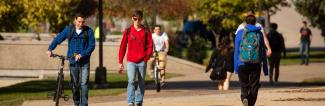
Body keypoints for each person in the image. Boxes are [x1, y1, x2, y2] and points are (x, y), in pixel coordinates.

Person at [46, 13, 95, 106]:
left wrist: (82, 54)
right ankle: (76, 103)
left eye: (83, 22)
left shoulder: (89, 31)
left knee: (84, 85)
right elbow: (58, 39)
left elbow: (92, 46)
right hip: (73, 62)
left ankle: (84, 104)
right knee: (75, 85)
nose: (81, 24)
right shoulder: (69, 30)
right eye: (79, 22)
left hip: (84, 62)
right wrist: (50, 49)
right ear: (75, 20)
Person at [118, 10, 153, 106]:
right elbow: (123, 46)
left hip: (142, 61)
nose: (137, 21)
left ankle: (139, 101)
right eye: (135, 19)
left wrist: (146, 58)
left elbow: (150, 46)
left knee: (141, 82)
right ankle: (130, 101)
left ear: (142, 19)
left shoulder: (146, 31)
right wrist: (120, 61)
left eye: (139, 19)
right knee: (131, 81)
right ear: (132, 19)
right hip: (131, 61)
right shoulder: (128, 31)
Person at [234, 15, 268, 106]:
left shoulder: (240, 33)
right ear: (255, 22)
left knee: (244, 84)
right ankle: (251, 103)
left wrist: (236, 67)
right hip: (256, 63)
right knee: (254, 85)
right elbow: (263, 52)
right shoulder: (259, 33)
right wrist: (265, 68)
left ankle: (245, 97)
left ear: (245, 22)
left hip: (242, 63)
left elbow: (236, 51)